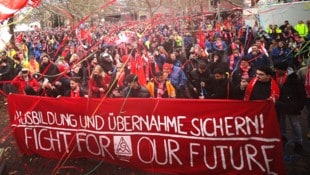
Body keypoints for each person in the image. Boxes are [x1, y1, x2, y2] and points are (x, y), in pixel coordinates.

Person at [274, 62, 306, 154]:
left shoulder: (294, 79)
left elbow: (301, 94)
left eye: (277, 69)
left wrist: (299, 106)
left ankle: (299, 143)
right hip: (280, 104)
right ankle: (283, 138)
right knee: (282, 122)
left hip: (292, 105)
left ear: (283, 70)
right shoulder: (275, 76)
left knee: (295, 124)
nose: (275, 70)